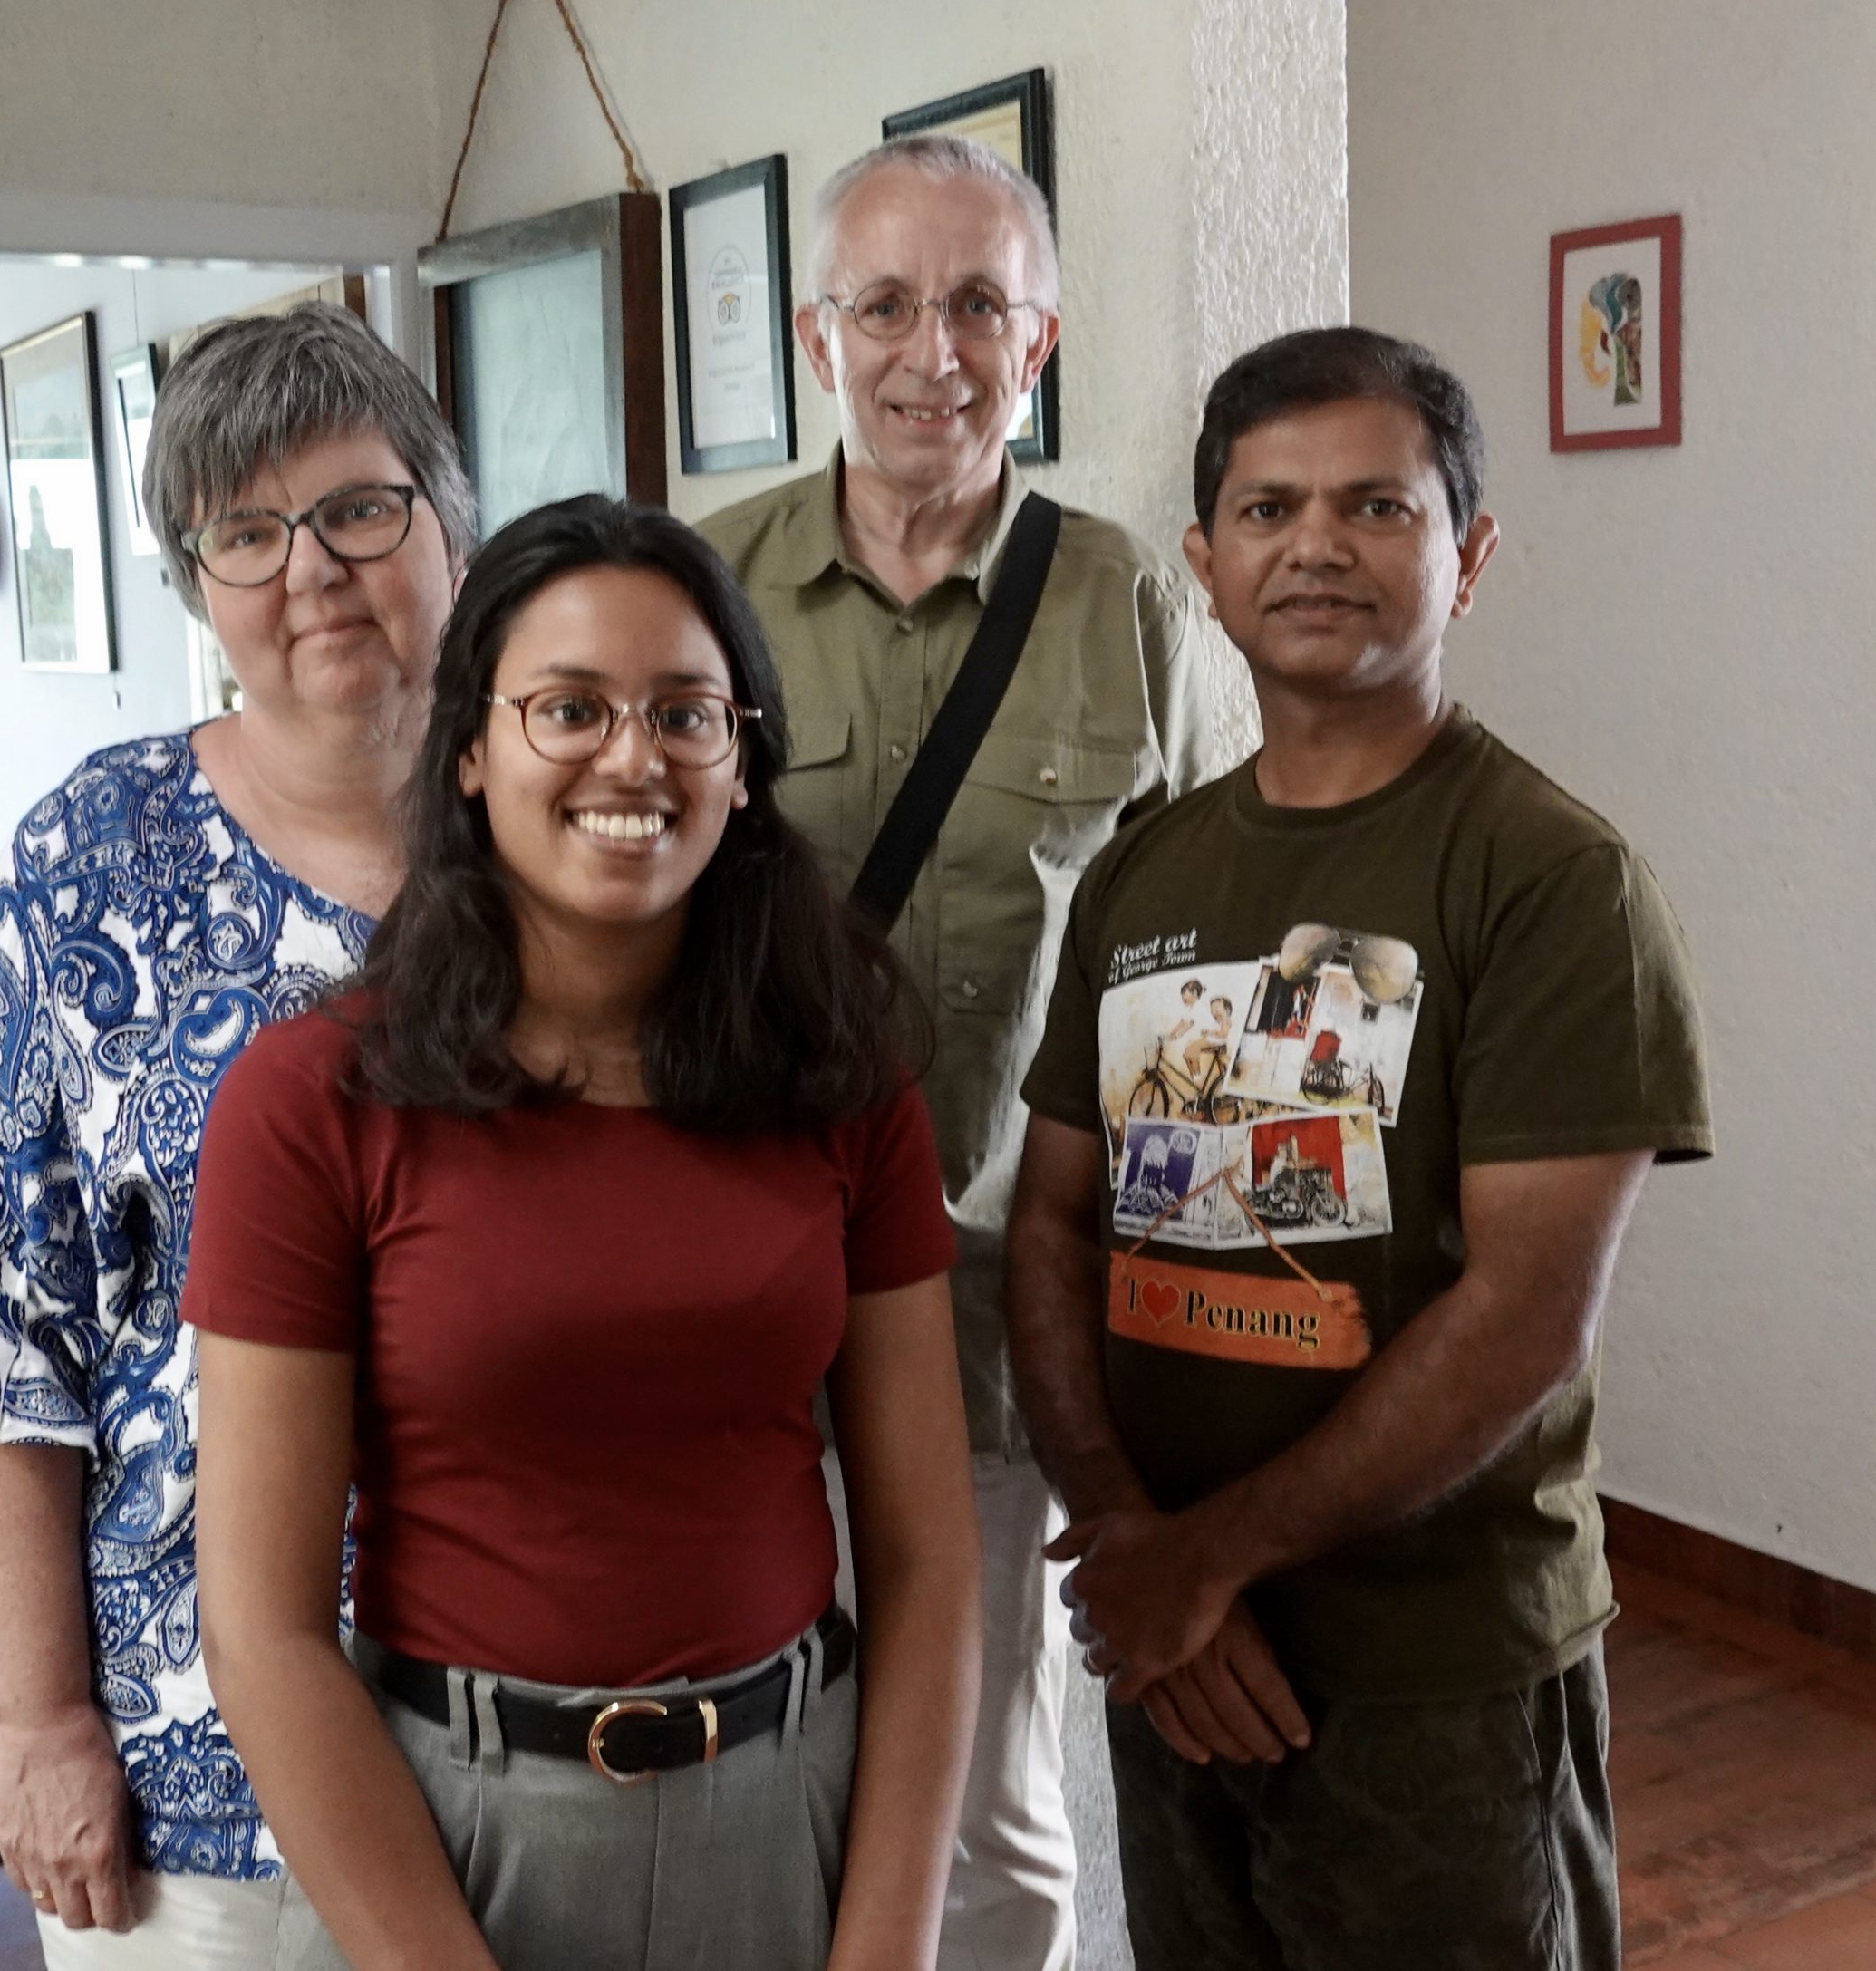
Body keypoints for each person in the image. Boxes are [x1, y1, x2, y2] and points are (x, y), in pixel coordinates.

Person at [179, 498, 983, 1971]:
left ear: (742, 763)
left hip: (784, 1819)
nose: (633, 758)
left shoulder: (840, 1076)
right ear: (470, 752)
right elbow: (262, 1632)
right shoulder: (310, 1104)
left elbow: (929, 1563)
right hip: (452, 1846)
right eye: (569, 709)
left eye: (686, 714)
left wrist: (889, 1948)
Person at [1006, 326, 1713, 1969]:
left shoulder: (1551, 879)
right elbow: (1052, 1226)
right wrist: (1129, 1538)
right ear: (1204, 563)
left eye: (1378, 507)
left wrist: (1202, 1561)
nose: (1316, 545)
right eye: (1269, 509)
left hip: (1435, 1684)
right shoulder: (1141, 872)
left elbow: (1526, 1316)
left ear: (1468, 556)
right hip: (1180, 1651)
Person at [0, 301, 475, 1966]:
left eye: (358, 509)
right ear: (199, 586)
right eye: (246, 535)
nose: (311, 570)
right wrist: (36, 1723)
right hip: (199, 1782)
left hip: (546, 1742)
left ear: (447, 520)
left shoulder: (578, 829)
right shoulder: (88, 872)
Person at [700, 132, 1211, 1969]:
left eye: (980, 305)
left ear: (1039, 338)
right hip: (733, 1306)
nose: (935, 352)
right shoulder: (702, 586)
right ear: (815, 339)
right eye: (887, 306)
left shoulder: (1126, 603)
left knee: (988, 1802)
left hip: (999, 1313)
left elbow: (1188, 971)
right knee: (761, 1767)